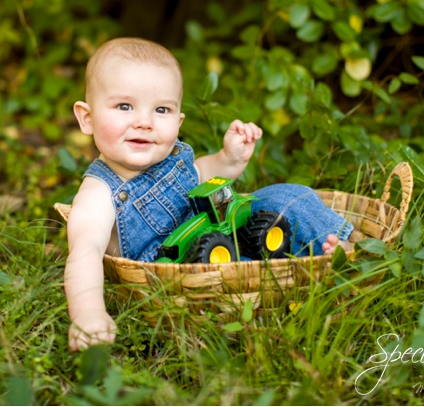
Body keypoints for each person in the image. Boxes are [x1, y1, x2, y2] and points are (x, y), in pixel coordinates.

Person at [64, 37, 353, 351]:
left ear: (178, 120)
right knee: (236, 272)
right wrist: (88, 313)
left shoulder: (173, 156)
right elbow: (85, 253)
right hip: (185, 274)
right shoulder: (99, 192)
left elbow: (205, 177)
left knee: (284, 198)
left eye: (161, 109)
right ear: (87, 117)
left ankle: (342, 249)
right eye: (124, 106)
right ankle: (304, 286)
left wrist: (229, 158)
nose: (145, 122)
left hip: (220, 233)